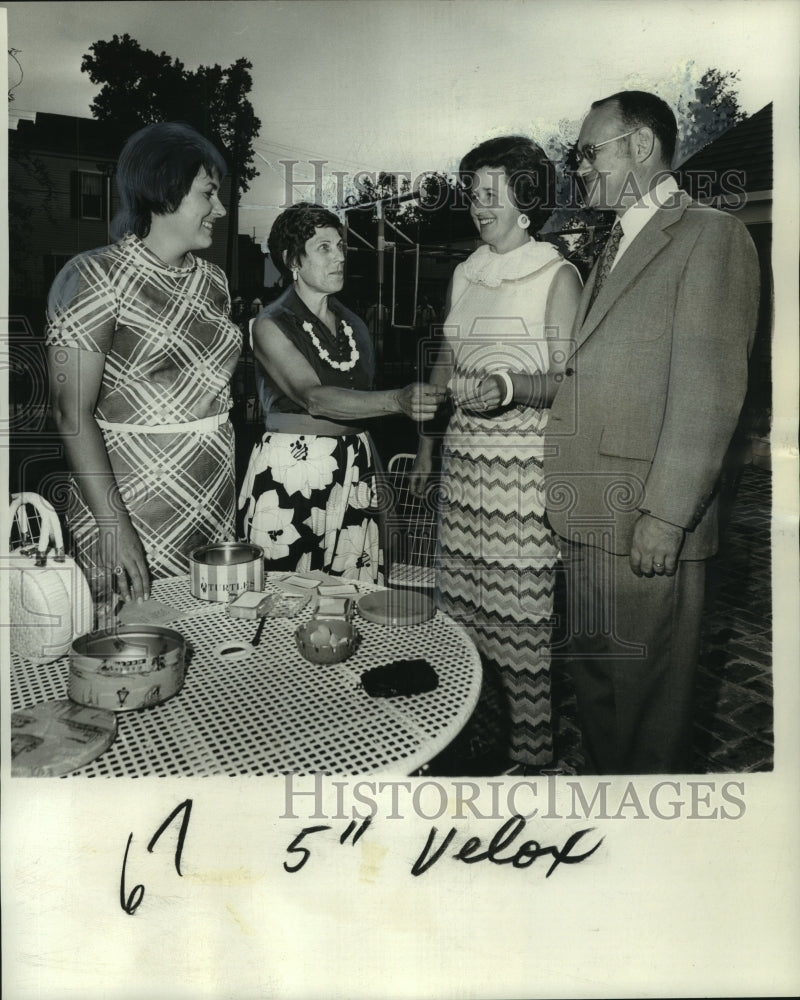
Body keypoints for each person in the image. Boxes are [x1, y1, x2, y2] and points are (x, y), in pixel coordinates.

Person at [544, 91, 760, 774]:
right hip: (587, 514)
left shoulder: (711, 235)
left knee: (651, 711)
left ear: (641, 146)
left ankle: (653, 854)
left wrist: (667, 516)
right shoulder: (615, 241)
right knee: (600, 694)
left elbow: (710, 391)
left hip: (643, 516)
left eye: (589, 151)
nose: (580, 167)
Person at [410, 135, 582, 771]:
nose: (477, 207)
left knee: (520, 622)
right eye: (472, 194)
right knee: (459, 615)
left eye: (490, 194)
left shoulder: (557, 274)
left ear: (526, 198)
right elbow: (450, 356)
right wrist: (427, 441)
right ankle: (468, 746)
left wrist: (509, 387)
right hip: (462, 466)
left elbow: (571, 381)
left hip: (523, 470)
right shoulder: (466, 270)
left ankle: (529, 759)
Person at [46, 122, 241, 617]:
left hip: (214, 496)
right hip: (133, 507)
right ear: (164, 190)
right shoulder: (92, 276)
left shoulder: (214, 281)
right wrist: (115, 527)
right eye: (208, 193)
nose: (220, 209)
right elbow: (72, 414)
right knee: (131, 649)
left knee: (208, 642)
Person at [238, 203, 445, 581]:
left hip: (354, 468)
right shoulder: (270, 323)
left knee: (353, 592)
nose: (339, 258)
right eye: (324, 248)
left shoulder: (353, 324)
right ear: (291, 260)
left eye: (340, 247)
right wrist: (396, 400)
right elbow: (313, 397)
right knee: (288, 593)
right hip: (293, 472)